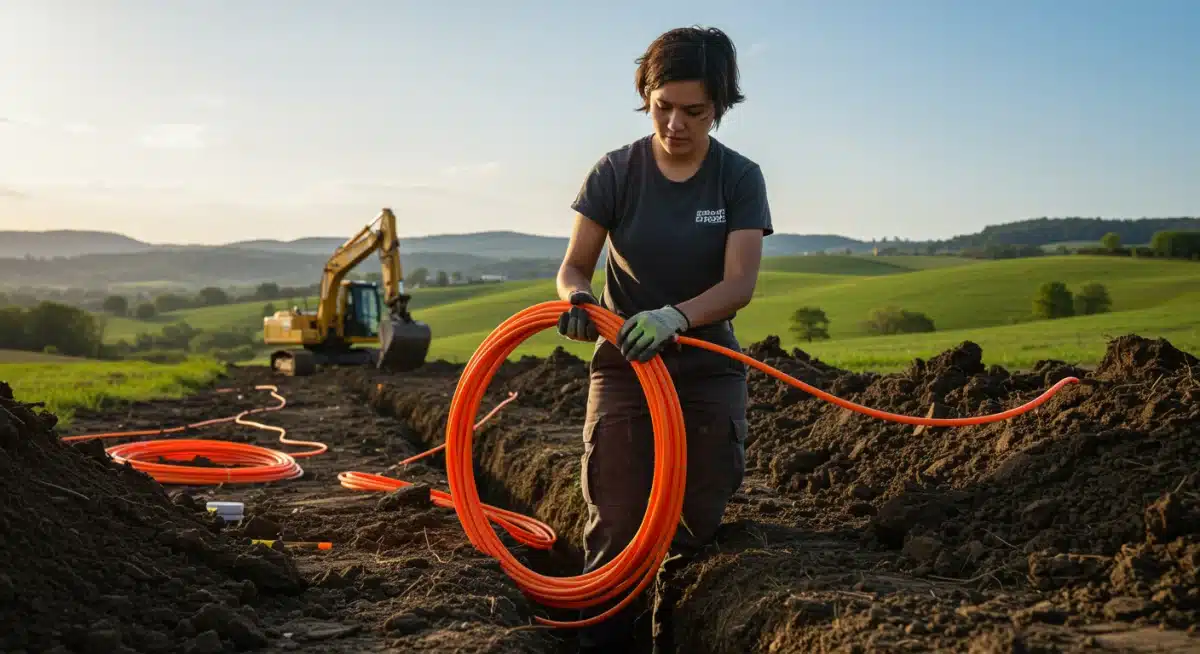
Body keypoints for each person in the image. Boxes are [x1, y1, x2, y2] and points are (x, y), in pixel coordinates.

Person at [555, 25, 773, 652]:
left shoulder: (738, 178)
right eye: (663, 106)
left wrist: (677, 317)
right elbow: (575, 267)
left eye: (694, 111)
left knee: (694, 523)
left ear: (720, 108)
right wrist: (576, 298)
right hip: (624, 367)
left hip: (705, 368)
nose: (676, 123)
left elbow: (739, 285)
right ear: (645, 95)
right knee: (617, 520)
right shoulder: (616, 172)